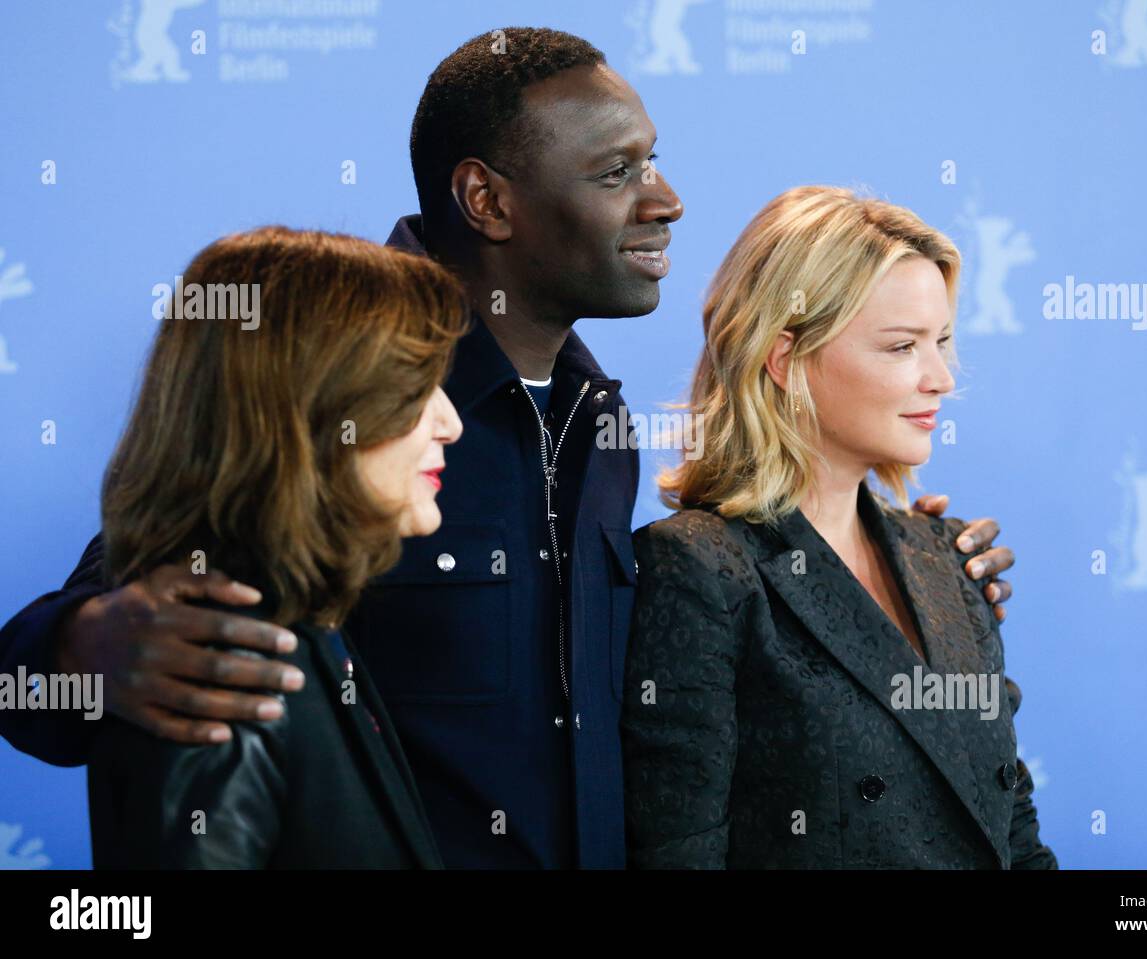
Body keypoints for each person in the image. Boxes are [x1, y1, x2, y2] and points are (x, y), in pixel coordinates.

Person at [0, 29, 1016, 870]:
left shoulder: (601, 425)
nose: (665, 200)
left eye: (652, 161)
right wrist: (85, 648)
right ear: (487, 200)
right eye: (617, 172)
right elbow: (56, 673)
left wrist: (898, 574)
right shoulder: (333, 396)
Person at [621, 187, 1057, 869]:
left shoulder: (951, 553)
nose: (940, 377)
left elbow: (1014, 834)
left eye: (941, 341)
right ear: (786, 357)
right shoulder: (700, 569)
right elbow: (680, 853)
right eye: (901, 346)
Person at [87, 226, 465, 867]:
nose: (450, 422)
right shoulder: (220, 667)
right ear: (307, 405)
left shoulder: (304, 621)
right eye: (413, 388)